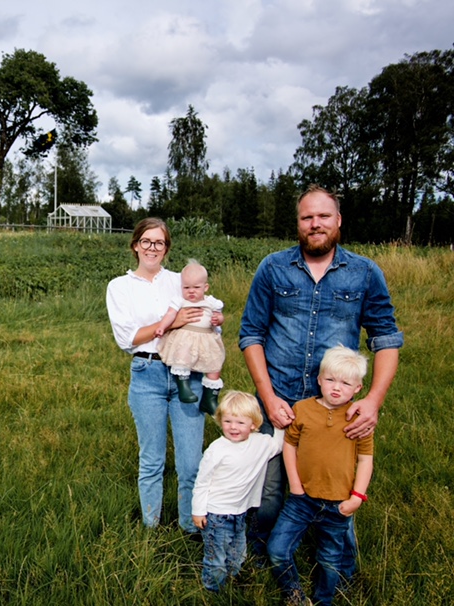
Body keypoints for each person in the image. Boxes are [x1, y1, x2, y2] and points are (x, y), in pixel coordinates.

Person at [239, 185, 403, 571]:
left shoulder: (364, 273)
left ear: (338, 220)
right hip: (278, 398)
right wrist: (268, 396)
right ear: (298, 223)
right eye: (307, 217)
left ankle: (336, 567)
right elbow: (252, 335)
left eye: (323, 216)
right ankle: (262, 558)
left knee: (337, 486)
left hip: (336, 406)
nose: (315, 224)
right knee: (272, 489)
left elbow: (387, 339)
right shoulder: (273, 268)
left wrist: (373, 401)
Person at [106, 218, 223, 534]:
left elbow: (207, 319)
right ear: (135, 245)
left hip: (188, 374)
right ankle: (151, 527)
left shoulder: (180, 280)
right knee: (152, 460)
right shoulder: (120, 287)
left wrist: (211, 320)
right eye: (146, 241)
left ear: (166, 248)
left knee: (190, 463)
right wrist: (171, 322)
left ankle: (190, 526)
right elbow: (127, 338)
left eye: (159, 242)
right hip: (147, 374)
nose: (152, 248)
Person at [267, 345, 373, 606]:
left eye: (346, 383)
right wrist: (294, 484)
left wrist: (357, 497)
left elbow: (365, 459)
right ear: (319, 379)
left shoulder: (358, 418)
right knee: (277, 551)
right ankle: (295, 596)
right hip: (301, 499)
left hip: (338, 504)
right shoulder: (303, 409)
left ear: (358, 388)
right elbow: (290, 445)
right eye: (330, 380)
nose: (337, 387)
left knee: (329, 560)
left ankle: (323, 600)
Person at [191, 391, 284, 592]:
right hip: (216, 514)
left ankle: (231, 582)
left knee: (237, 553)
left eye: (240, 423)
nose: (233, 427)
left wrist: (281, 424)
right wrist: (198, 511)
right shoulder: (217, 449)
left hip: (240, 512)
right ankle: (213, 590)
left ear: (253, 424)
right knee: (217, 557)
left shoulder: (260, 442)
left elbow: (277, 445)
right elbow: (202, 482)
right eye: (228, 421)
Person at [155, 259, 225, 415]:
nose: (191, 291)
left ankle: (209, 398)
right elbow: (170, 315)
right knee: (183, 358)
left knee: (214, 366)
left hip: (207, 339)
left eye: (196, 287)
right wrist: (161, 327)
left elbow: (220, 317)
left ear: (205, 287)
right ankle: (183, 386)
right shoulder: (180, 301)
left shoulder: (211, 302)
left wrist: (218, 320)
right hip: (186, 337)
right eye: (186, 287)